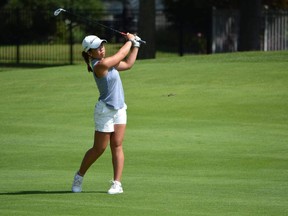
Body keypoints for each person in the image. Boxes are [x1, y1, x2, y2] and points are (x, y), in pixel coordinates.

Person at [72, 33, 141, 194]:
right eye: (97, 48)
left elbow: (129, 63)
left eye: (102, 45)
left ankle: (117, 184)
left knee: (117, 145)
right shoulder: (99, 66)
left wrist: (136, 45)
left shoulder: (110, 63)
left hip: (119, 109)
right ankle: (79, 176)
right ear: (90, 53)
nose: (102, 48)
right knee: (99, 148)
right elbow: (121, 54)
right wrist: (130, 40)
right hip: (105, 110)